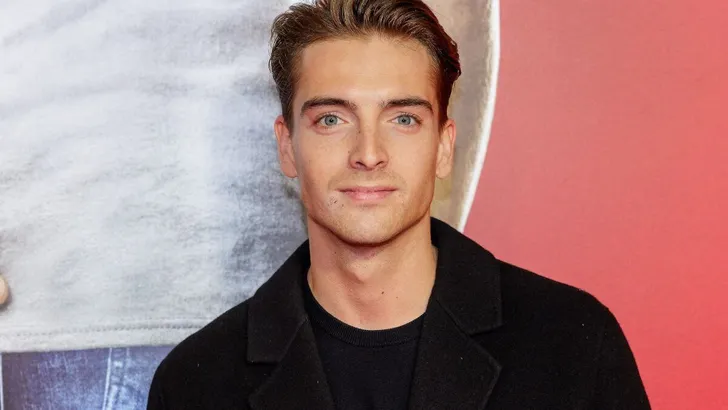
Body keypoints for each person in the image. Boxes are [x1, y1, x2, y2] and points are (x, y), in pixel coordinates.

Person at [147, 0, 651, 409]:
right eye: (332, 119)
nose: (368, 154)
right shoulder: (197, 384)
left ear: (444, 147)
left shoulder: (573, 346)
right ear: (287, 147)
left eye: (403, 119)